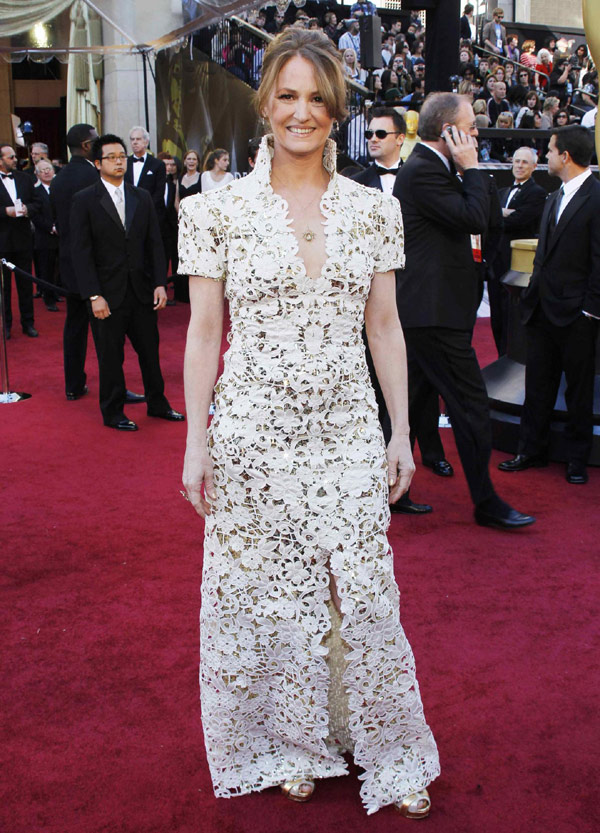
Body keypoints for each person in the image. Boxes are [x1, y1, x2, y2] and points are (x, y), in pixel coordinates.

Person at [179, 28, 440, 816]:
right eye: (287, 95)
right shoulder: (214, 210)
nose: (302, 112)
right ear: (264, 103)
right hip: (253, 432)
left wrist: (402, 430)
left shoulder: (373, 210)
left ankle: (390, 746)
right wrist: (195, 444)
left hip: (347, 428)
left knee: (364, 588)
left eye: (318, 98)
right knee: (271, 590)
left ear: (338, 109)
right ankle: (290, 742)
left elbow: (384, 326)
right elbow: (202, 333)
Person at [393, 93, 535, 530]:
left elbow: (488, 221)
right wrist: (471, 167)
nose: (476, 134)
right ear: (448, 131)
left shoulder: (438, 169)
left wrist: (469, 171)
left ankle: (387, 493)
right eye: (470, 127)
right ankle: (486, 502)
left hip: (431, 311)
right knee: (471, 407)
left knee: (407, 405)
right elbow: (473, 219)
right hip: (433, 315)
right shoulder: (423, 171)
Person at [352, 109, 454, 497]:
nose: (373, 139)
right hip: (372, 296)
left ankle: (432, 451)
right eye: (369, 134)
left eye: (381, 133)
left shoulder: (422, 177)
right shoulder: (355, 183)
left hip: (417, 291)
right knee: (380, 382)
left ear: (400, 138)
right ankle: (380, 475)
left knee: (421, 379)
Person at [499, 126, 600, 485]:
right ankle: (531, 450)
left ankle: (577, 459)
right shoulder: (554, 196)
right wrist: (532, 297)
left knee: (578, 389)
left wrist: (590, 311)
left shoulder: (596, 197)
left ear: (566, 156)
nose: (546, 156)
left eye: (551, 150)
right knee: (538, 384)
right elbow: (544, 253)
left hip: (577, 315)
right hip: (541, 308)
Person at [70, 134, 184, 431]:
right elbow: (81, 252)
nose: (119, 161)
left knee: (150, 352)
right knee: (110, 357)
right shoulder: (84, 200)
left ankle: (158, 403)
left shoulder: (141, 197)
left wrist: (160, 283)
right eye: (111, 157)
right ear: (98, 164)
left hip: (142, 291)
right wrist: (93, 295)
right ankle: (113, 411)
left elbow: (154, 243)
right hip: (106, 294)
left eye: (122, 156)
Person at [490, 147, 547, 355]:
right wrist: (504, 213)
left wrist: (499, 215)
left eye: (524, 162)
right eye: (516, 161)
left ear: (534, 166)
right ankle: (500, 356)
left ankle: (512, 357)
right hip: (496, 263)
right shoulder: (502, 192)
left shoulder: (537, 193)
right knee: (497, 314)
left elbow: (519, 220)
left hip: (518, 266)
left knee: (512, 315)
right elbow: (489, 219)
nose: (519, 166)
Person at [0, 144, 37, 339]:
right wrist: (5, 211)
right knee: (4, 287)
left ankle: (28, 323)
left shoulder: (25, 178)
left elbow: (38, 203)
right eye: (11, 157)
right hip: (2, 241)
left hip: (23, 239)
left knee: (26, 284)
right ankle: (6, 325)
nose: (15, 160)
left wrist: (27, 209)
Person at [32, 159, 60, 311]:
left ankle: (57, 292)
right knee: (47, 269)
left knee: (60, 267)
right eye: (42, 170)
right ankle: (48, 298)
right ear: (37, 175)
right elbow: (35, 216)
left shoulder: (60, 189)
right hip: (45, 236)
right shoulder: (35, 192)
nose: (47, 172)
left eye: (48, 169)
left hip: (61, 235)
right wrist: (51, 227)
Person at [125, 126, 167, 224]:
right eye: (132, 139)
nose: (135, 142)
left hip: (151, 214)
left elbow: (159, 191)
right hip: (129, 214)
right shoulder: (124, 163)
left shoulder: (158, 164)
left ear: (146, 142)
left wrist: (145, 208)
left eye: (138, 139)